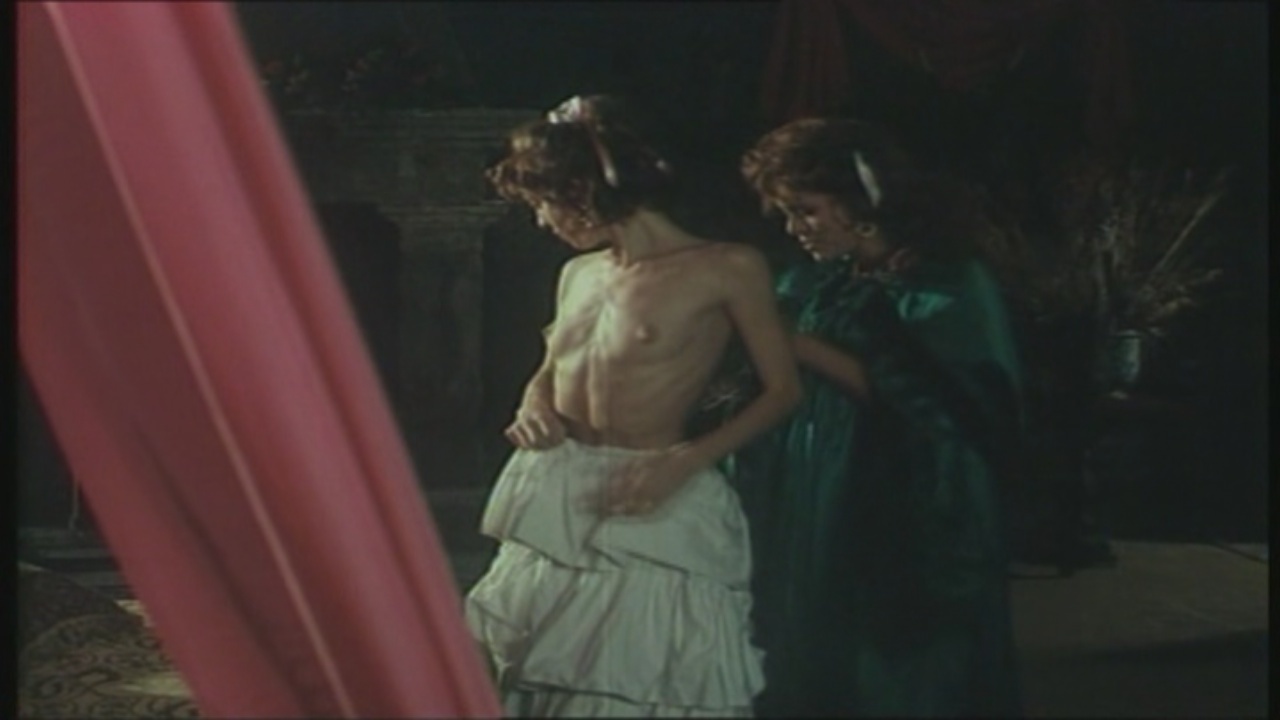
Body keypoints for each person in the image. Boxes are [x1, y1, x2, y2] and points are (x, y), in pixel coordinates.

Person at [463, 95, 802, 718]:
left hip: (651, 496)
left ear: (583, 190)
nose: (541, 221)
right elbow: (551, 366)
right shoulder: (579, 273)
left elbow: (783, 390)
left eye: (544, 203)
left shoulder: (726, 267)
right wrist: (534, 402)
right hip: (558, 491)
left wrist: (686, 461)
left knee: (634, 681)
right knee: (538, 673)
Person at [729, 117, 1025, 717]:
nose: (795, 228)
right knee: (810, 629)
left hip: (902, 487)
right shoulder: (820, 280)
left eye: (806, 211)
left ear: (858, 201)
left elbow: (945, 401)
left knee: (890, 656)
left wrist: (796, 345)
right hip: (818, 477)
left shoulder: (946, 281)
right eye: (786, 214)